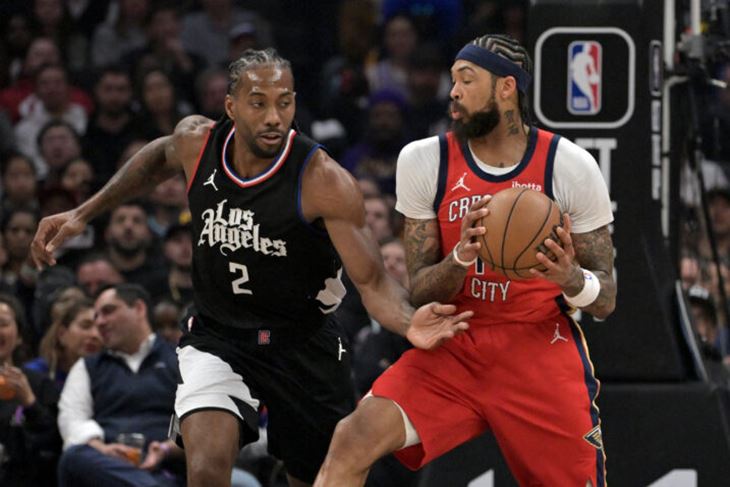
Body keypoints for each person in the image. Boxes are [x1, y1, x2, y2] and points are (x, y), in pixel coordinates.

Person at [30, 47, 471, 487]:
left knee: (316, 477)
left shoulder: (323, 179)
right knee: (204, 471)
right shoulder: (196, 141)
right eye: (258, 103)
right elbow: (157, 159)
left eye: (284, 102)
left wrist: (410, 322)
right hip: (219, 336)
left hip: (303, 342)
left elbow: (372, 281)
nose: (274, 117)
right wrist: (82, 214)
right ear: (231, 106)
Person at [315, 34, 617, 487]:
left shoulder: (569, 165)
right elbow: (419, 289)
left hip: (538, 349)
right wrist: (459, 258)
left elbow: (606, 298)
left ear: (506, 88)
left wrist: (570, 276)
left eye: (467, 79)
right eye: (452, 79)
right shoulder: (424, 160)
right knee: (351, 439)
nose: (452, 91)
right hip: (455, 342)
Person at [56, 284, 185, 487]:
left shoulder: (180, 360)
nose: (99, 322)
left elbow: (192, 421)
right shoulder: (88, 367)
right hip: (106, 469)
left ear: (139, 309)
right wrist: (102, 449)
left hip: (165, 468)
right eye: (96, 316)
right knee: (73, 457)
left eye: (108, 311)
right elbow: (72, 420)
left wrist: (166, 449)